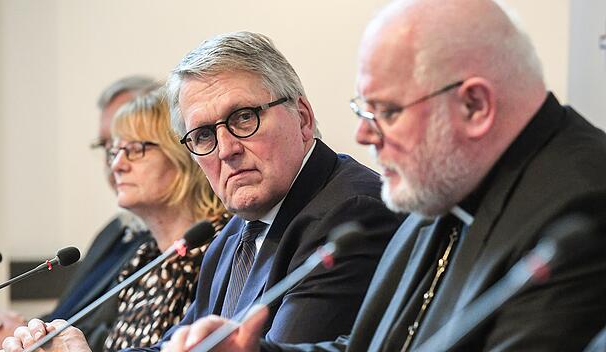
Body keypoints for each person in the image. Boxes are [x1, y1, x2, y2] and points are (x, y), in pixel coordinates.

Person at [157, 0, 606, 351]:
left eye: (386, 111)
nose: (364, 134)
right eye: (364, 109)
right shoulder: (441, 189)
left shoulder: (583, 212)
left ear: (474, 106)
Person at [0, 31, 404, 352]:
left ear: (301, 118)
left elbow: (281, 348)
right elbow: (176, 345)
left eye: (244, 118)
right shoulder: (231, 232)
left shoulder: (351, 213)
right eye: (203, 134)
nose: (226, 150)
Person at [0, 75, 157, 352]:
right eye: (108, 147)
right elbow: (71, 315)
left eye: (132, 147)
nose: (115, 162)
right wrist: (23, 333)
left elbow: (111, 339)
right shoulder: (115, 230)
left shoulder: (179, 244)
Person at [97, 88, 229, 351]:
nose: (117, 166)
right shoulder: (143, 259)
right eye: (115, 151)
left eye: (135, 149)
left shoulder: (223, 247)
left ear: (181, 157)